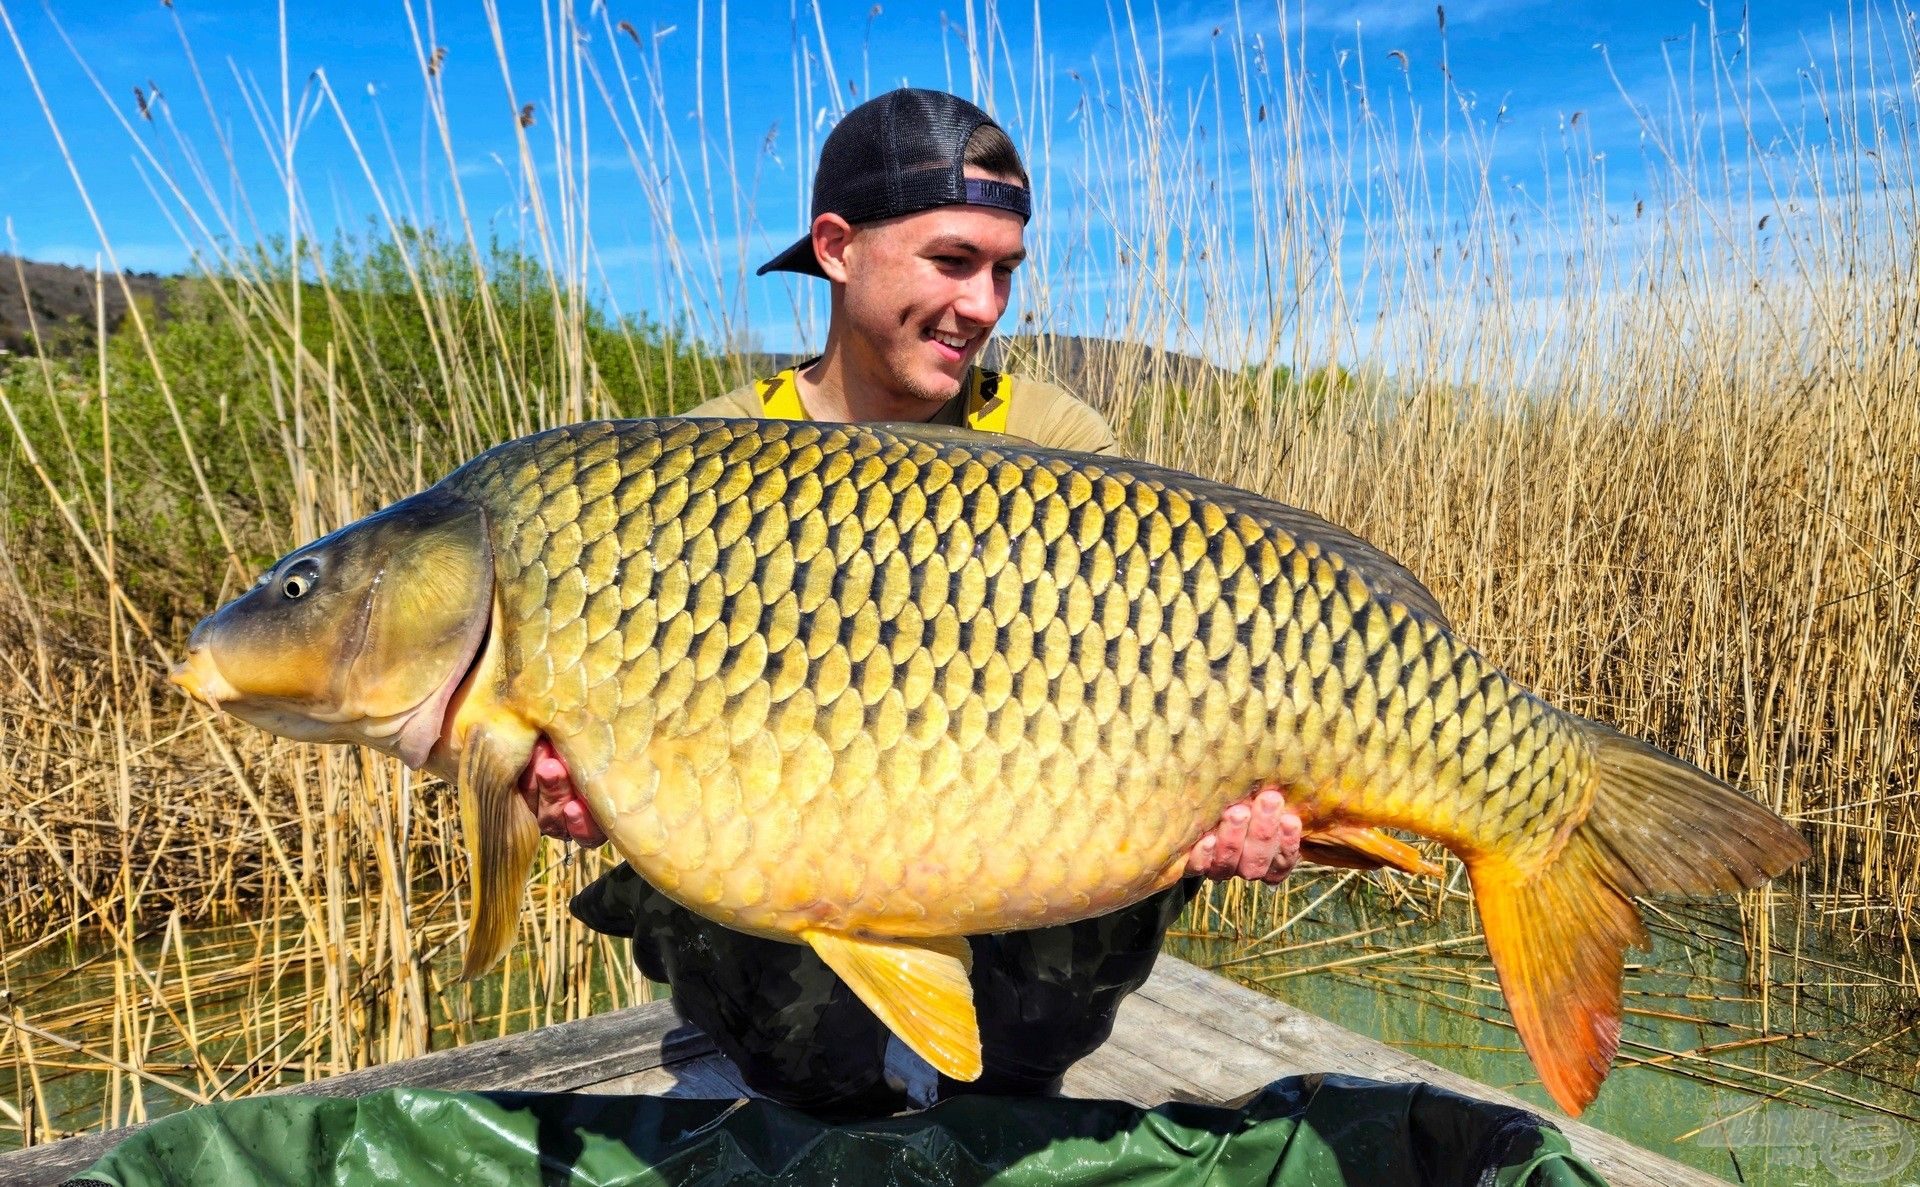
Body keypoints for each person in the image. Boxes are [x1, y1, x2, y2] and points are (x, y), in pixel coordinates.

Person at [528, 88, 1303, 1119]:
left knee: (1144, 811)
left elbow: (1174, 672)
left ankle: (1010, 1086)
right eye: (951, 261)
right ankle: (821, 1087)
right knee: (746, 955)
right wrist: (577, 782)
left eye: (1004, 271)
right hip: (790, 859)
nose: (984, 305)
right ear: (837, 246)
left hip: (1021, 844)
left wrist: (1248, 802)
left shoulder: (1057, 441)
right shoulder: (698, 464)